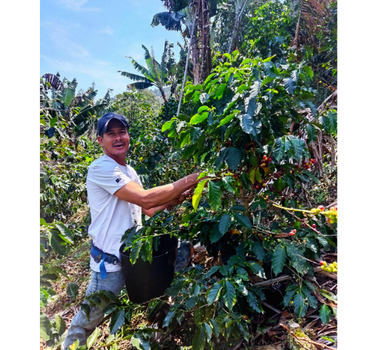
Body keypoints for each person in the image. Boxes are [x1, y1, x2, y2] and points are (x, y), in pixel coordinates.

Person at [63, 112, 203, 349]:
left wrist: (177, 199)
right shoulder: (101, 168)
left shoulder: (129, 172)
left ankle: (158, 342)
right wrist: (192, 178)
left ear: (129, 136)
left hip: (134, 257)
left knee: (156, 300)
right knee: (87, 321)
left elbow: (148, 209)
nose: (118, 138)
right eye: (111, 134)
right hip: (110, 263)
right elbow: (146, 199)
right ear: (100, 140)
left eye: (122, 132)